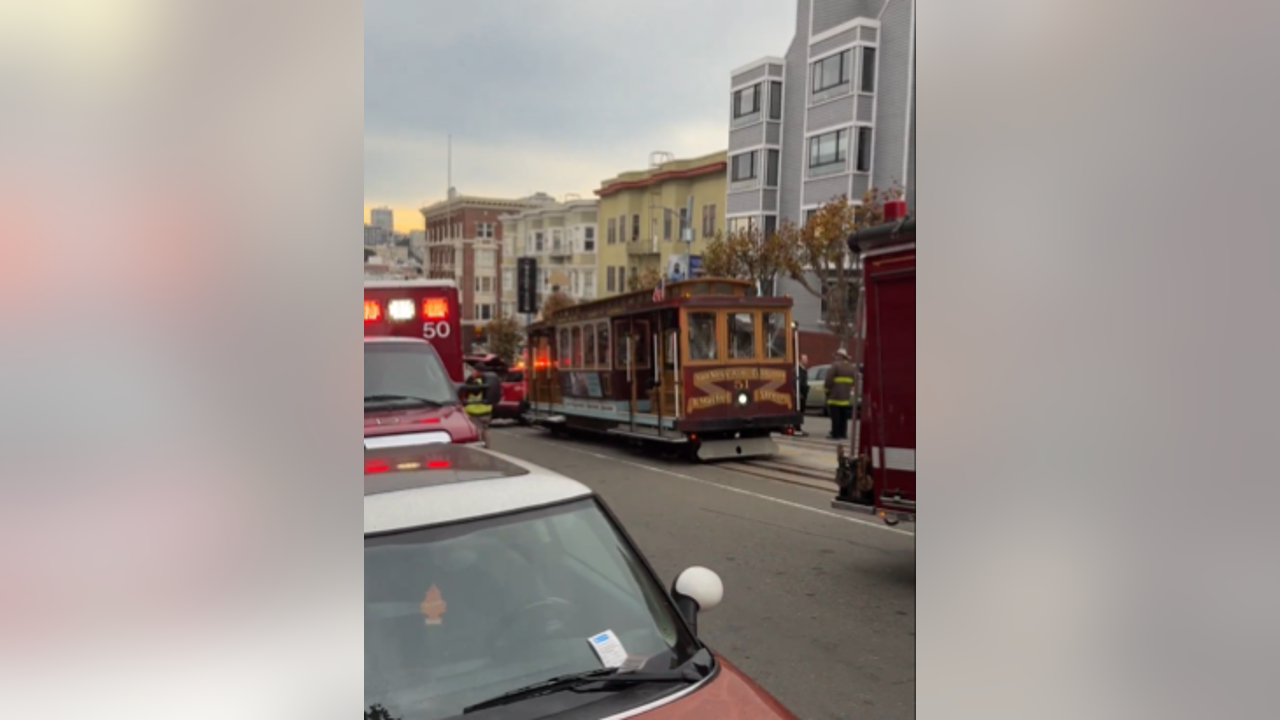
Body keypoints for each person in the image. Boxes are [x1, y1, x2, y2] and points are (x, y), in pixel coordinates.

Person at [461, 363, 503, 448]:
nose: (472, 372)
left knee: (477, 432)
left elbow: (473, 391)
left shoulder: (476, 381)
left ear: (478, 371)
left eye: (474, 370)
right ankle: (487, 447)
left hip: (475, 411)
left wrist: (471, 378)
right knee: (486, 430)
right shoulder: (490, 380)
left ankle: (480, 451)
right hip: (487, 411)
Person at [824, 348, 858, 441]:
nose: (835, 357)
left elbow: (829, 380)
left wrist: (827, 390)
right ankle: (843, 433)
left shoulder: (835, 366)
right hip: (845, 397)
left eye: (837, 355)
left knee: (835, 417)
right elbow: (853, 381)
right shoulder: (851, 367)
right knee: (844, 417)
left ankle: (835, 434)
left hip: (835, 396)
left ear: (840, 356)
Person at [795, 353, 810, 437]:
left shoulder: (803, 370)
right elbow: (798, 382)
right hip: (799, 394)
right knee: (799, 411)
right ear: (801, 360)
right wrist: (799, 392)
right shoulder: (798, 370)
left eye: (807, 359)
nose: (807, 361)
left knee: (801, 411)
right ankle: (797, 428)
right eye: (805, 359)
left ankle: (798, 427)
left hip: (803, 394)